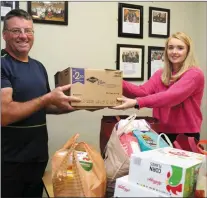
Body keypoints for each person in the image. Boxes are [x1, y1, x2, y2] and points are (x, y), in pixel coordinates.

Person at [1, 9, 81, 197]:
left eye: (28, 31)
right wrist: (47, 98)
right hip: (8, 160)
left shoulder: (38, 66)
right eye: (16, 31)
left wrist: (80, 104)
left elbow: (45, 106)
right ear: (4, 35)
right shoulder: (2, 64)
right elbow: (4, 114)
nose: (23, 36)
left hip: (37, 157)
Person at [114, 32, 205, 143]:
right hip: (159, 131)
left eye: (180, 48)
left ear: (188, 51)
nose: (174, 52)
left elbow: (171, 97)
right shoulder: (161, 74)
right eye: (170, 48)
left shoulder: (194, 74)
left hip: (185, 134)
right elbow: (142, 91)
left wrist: (136, 102)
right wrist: (114, 80)